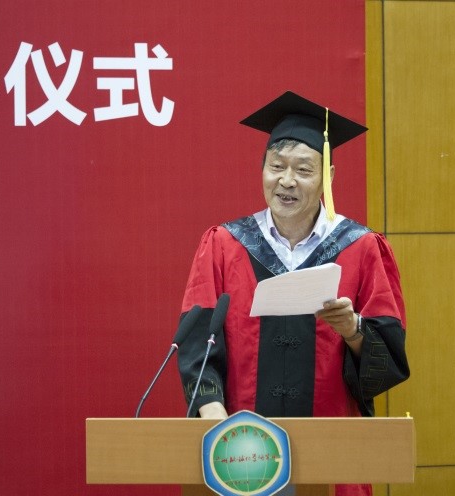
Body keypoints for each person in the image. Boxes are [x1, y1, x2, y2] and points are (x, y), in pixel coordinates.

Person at [175, 91, 409, 496]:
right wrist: (215, 420)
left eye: (303, 169)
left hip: (331, 452)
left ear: (328, 176)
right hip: (242, 454)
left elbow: (387, 362)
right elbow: (197, 343)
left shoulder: (361, 248)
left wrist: (353, 330)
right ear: (262, 169)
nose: (286, 181)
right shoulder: (225, 245)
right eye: (276, 166)